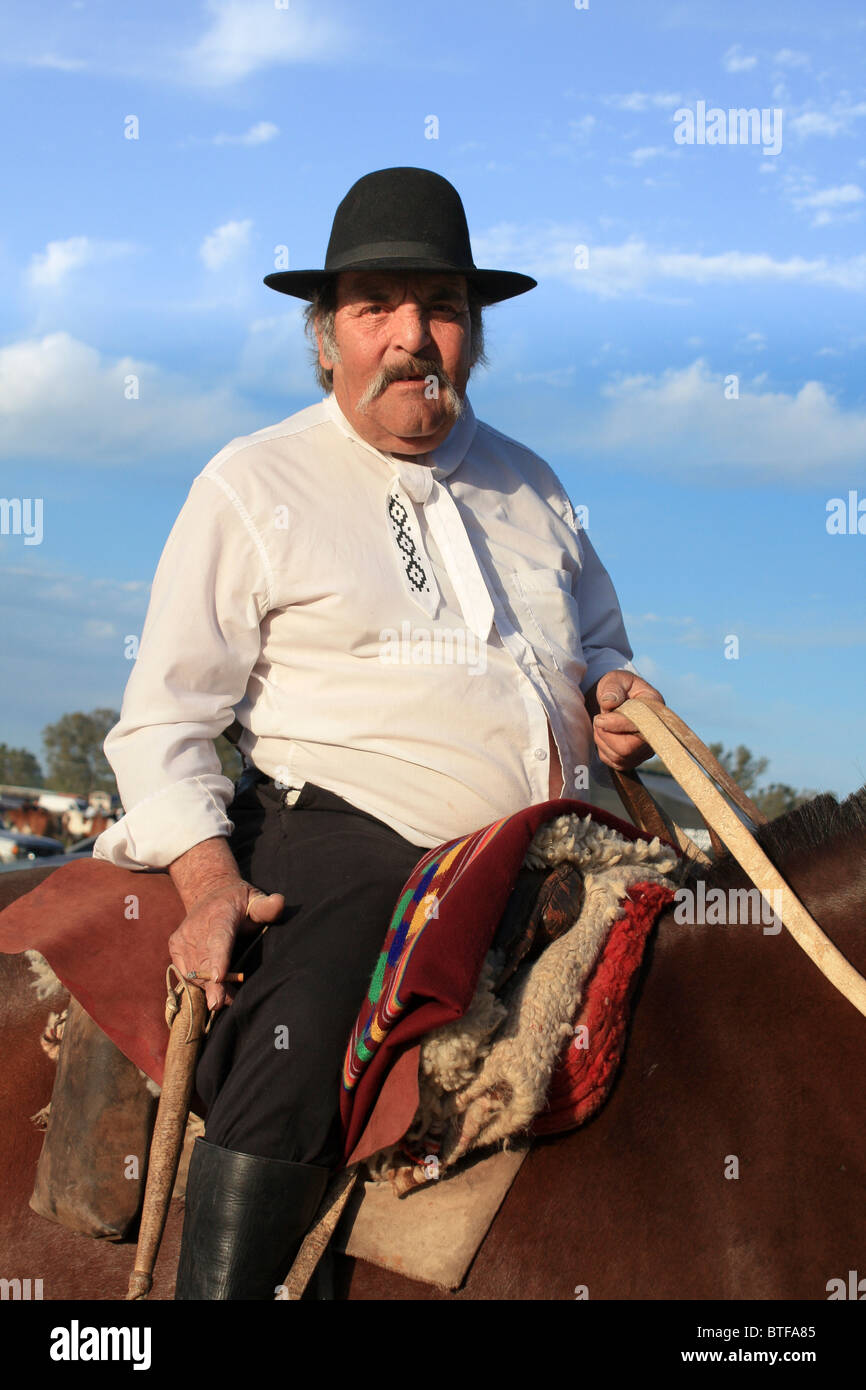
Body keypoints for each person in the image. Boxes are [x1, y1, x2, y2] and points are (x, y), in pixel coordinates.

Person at [93, 166, 664, 1299]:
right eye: (375, 309)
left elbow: (598, 640)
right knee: (300, 1031)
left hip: (556, 842)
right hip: (353, 838)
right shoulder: (252, 483)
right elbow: (164, 719)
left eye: (441, 308)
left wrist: (613, 695)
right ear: (324, 340)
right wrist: (208, 884)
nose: (413, 338)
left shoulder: (533, 484)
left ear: (474, 334)